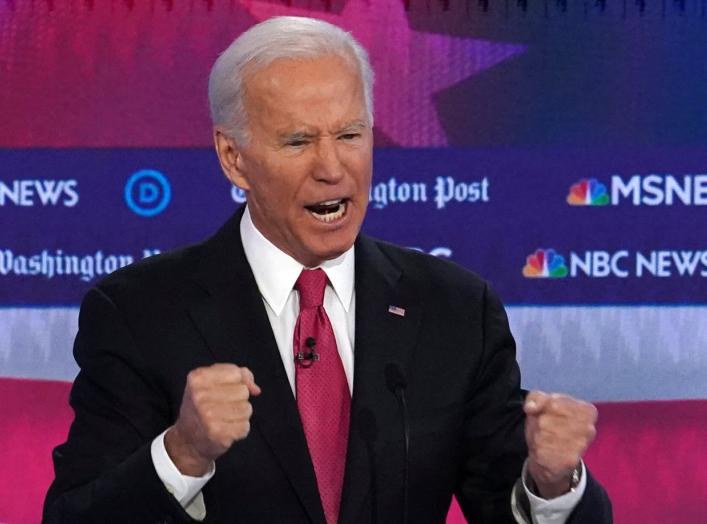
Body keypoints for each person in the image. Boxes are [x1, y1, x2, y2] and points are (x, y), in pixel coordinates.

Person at [44, 16, 612, 524]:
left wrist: (552, 483)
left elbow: (505, 501)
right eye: (298, 141)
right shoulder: (140, 313)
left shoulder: (455, 310)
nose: (332, 168)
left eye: (349, 135)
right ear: (233, 157)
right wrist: (183, 454)